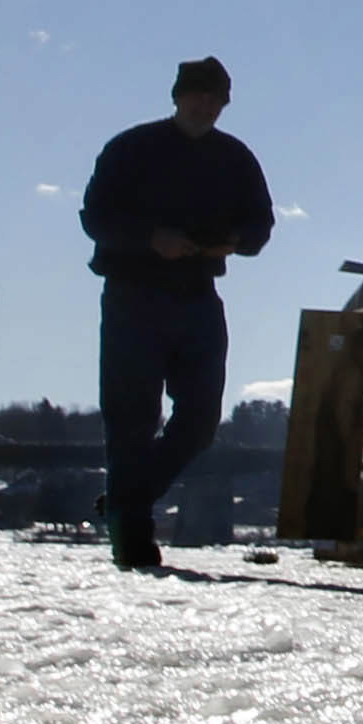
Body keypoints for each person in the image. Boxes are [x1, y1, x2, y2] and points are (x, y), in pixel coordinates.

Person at [78, 58, 273, 572]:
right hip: (132, 295)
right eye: (198, 95)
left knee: (200, 419)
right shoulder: (132, 148)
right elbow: (96, 217)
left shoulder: (234, 158)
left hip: (197, 293)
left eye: (216, 99)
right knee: (132, 420)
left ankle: (127, 498)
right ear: (178, 96)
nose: (206, 105)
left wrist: (234, 242)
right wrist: (151, 240)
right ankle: (133, 543)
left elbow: (260, 224)